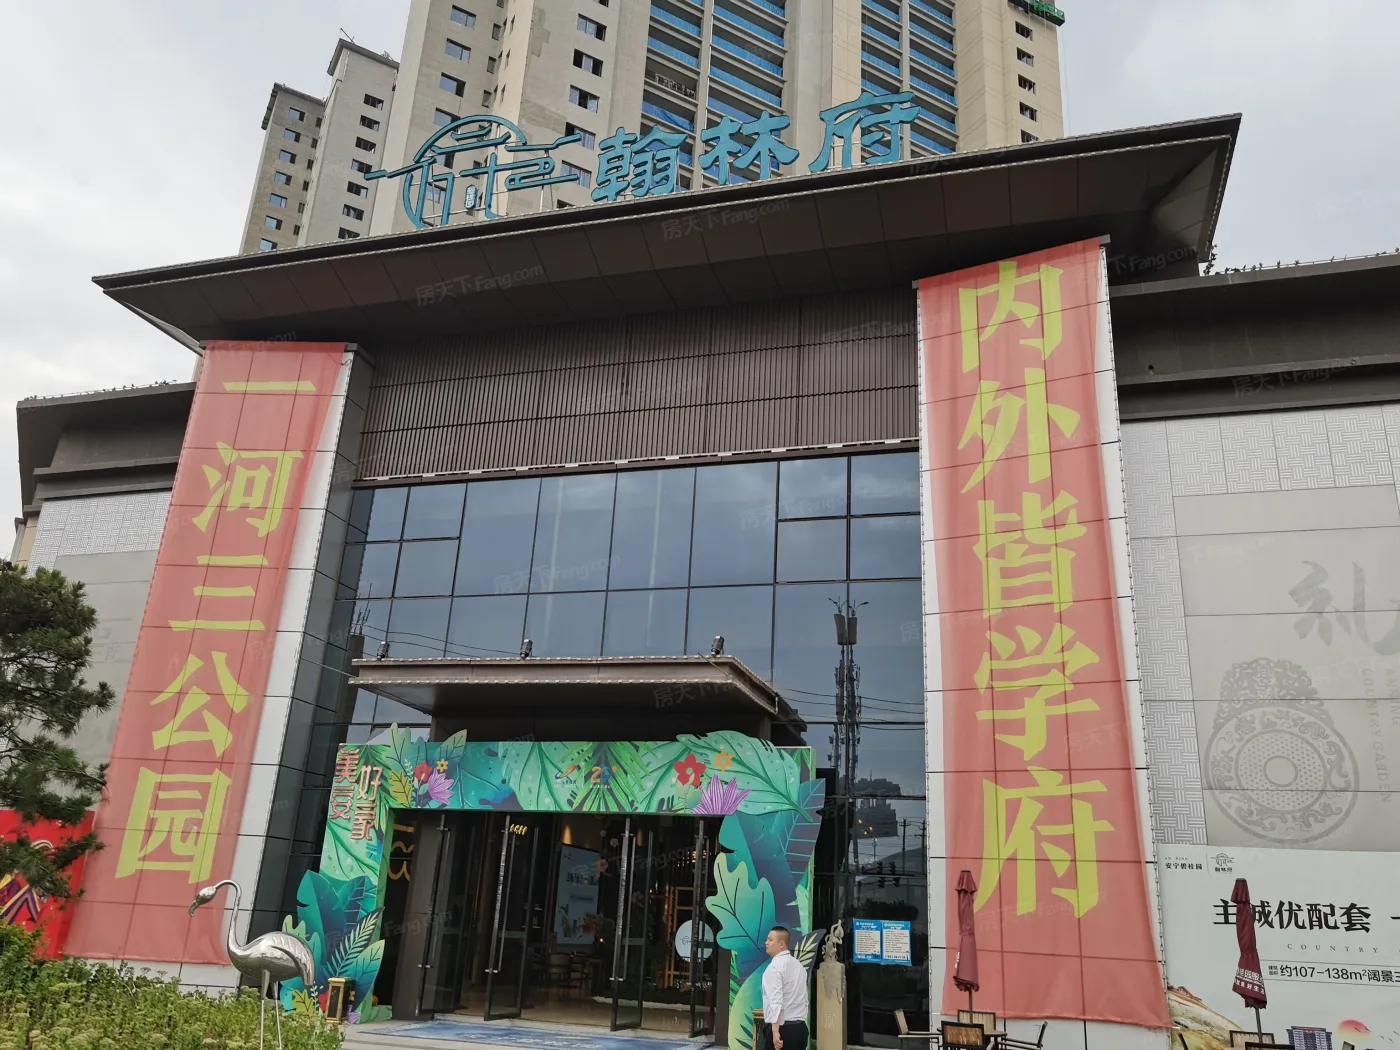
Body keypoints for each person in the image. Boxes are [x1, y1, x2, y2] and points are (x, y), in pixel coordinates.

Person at [761, 926, 809, 1050]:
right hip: (800, 1028)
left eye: (770, 940)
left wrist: (775, 1031)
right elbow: (805, 999)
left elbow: (776, 1001)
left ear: (781, 944)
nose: (766, 942)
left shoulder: (774, 968)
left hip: (783, 1030)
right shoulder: (799, 966)